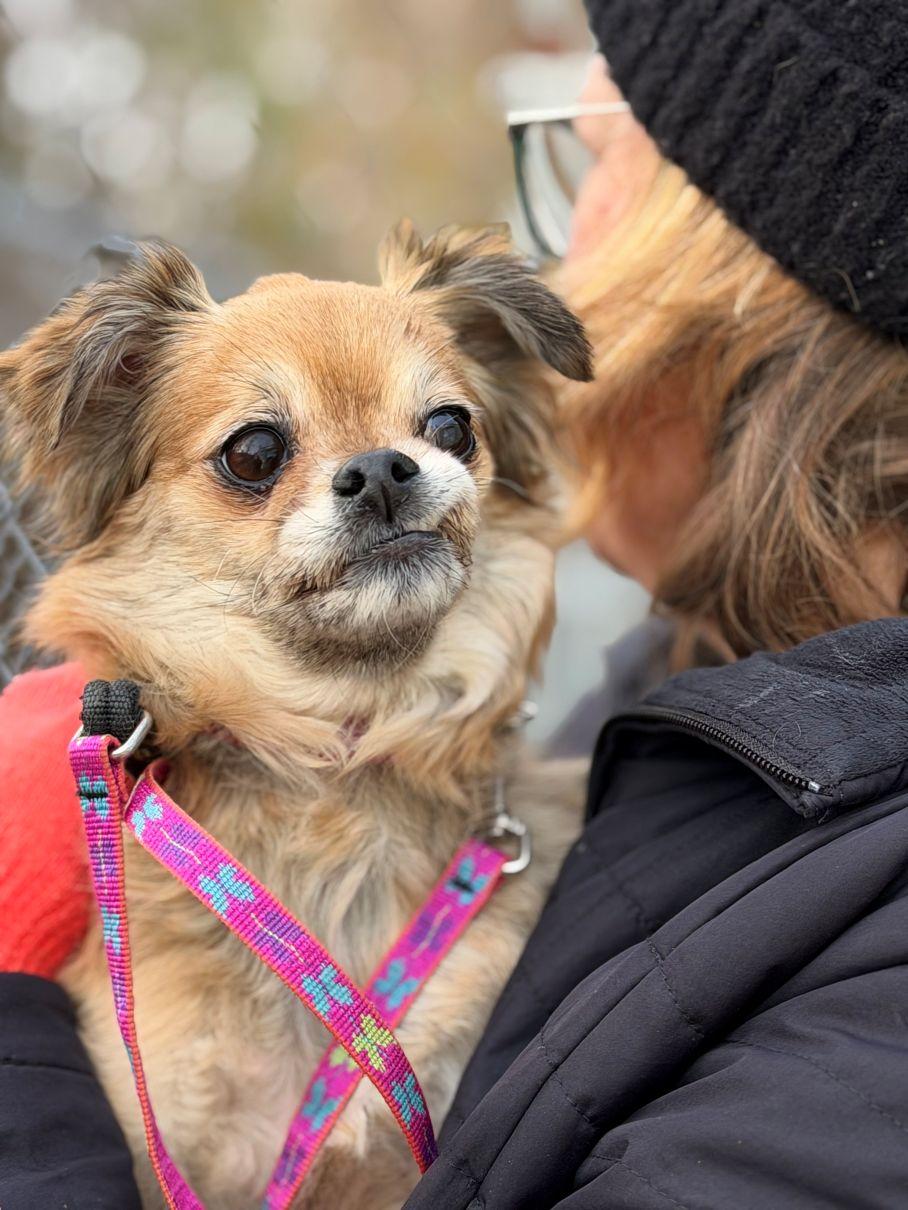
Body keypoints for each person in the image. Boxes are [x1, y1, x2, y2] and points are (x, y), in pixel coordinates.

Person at [3, 0, 908, 1205]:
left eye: (439, 428)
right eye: (256, 456)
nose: (377, 476)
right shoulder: (652, 730)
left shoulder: (803, 918)